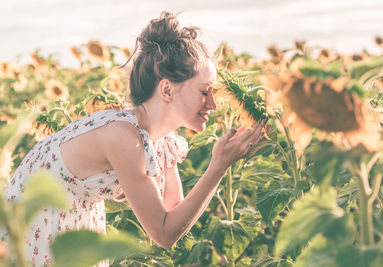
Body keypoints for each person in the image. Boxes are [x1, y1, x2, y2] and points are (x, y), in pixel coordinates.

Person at [1, 11, 265, 266]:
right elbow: (163, 234)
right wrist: (218, 165)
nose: (213, 104)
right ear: (167, 89)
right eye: (205, 92)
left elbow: (174, 212)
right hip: (38, 222)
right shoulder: (124, 137)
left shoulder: (160, 140)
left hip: (74, 219)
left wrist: (221, 163)